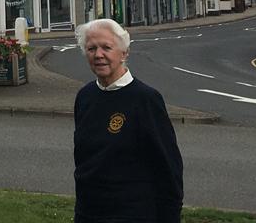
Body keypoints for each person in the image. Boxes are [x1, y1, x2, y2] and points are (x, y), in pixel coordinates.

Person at [73, 18, 183, 223]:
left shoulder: (145, 99)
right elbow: (83, 162)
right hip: (88, 214)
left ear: (124, 53)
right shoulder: (85, 96)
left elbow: (168, 169)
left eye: (107, 47)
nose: (98, 55)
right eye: (91, 48)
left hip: (132, 214)